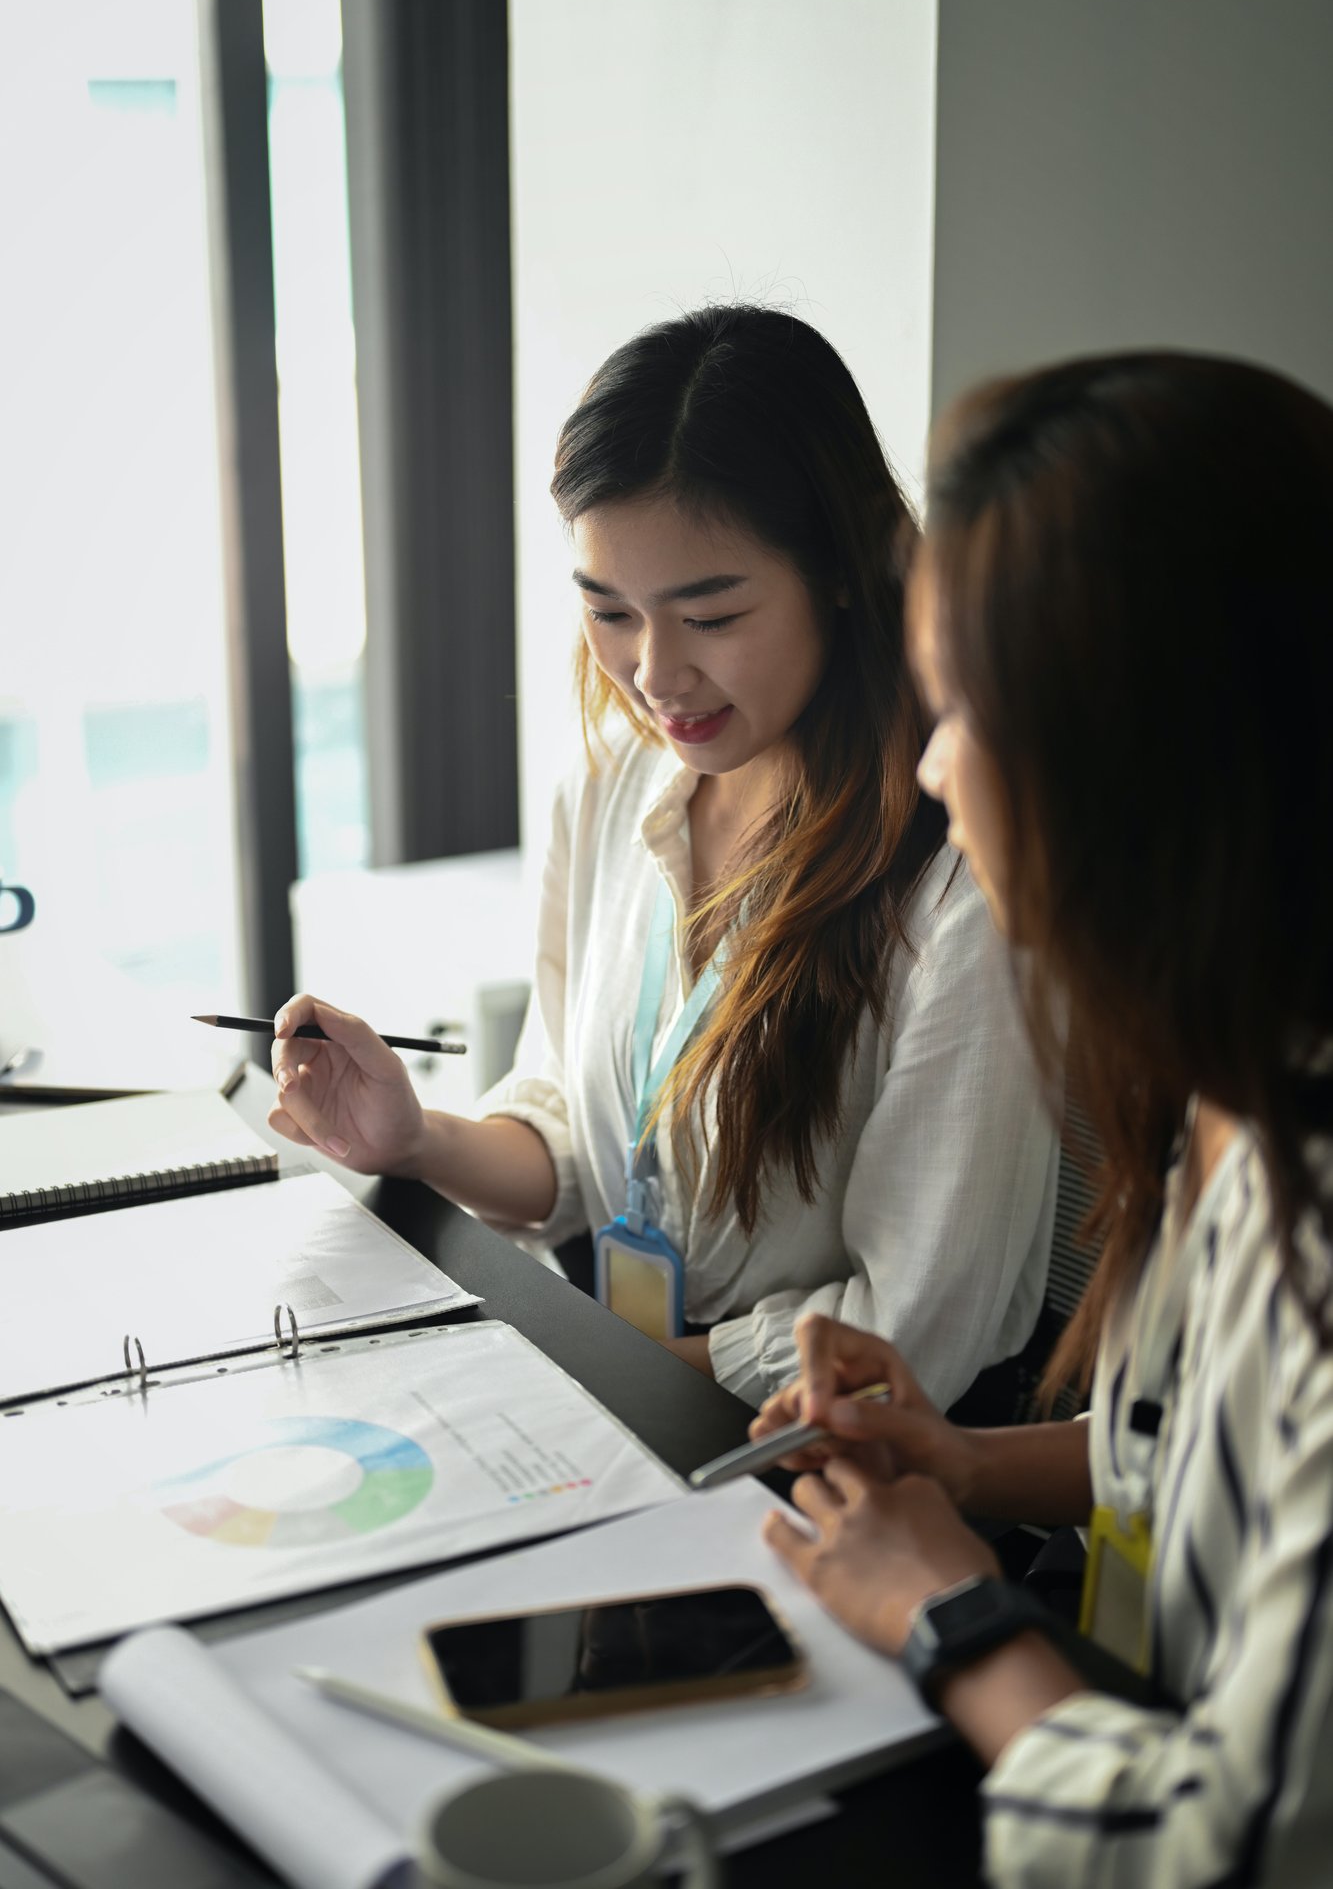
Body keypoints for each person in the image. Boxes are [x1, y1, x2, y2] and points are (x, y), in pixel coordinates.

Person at [753, 351, 1333, 1883]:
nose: (933, 768)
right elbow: (1207, 1453)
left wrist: (952, 1615)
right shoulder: (1226, 1072)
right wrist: (954, 1462)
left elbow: (1248, 1839)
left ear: (1126, 767)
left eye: (961, 715)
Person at [269, 304, 1057, 1410]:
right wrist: (418, 1136)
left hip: (826, 1461)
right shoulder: (614, 782)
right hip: (630, 1394)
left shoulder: (958, 866)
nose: (654, 674)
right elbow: (576, 1140)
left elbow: (913, 1328)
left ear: (838, 570)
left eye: (712, 614)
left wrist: (588, 1379)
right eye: (609, 611)